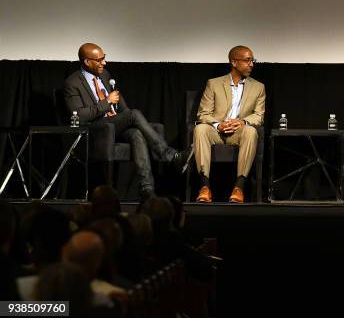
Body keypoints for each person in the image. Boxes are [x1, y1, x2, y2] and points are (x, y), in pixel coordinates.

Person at [63, 43, 191, 201]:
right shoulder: (73, 82)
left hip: (113, 125)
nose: (104, 63)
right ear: (87, 62)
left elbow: (123, 108)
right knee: (135, 114)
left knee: (137, 132)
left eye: (104, 58)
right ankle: (171, 155)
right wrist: (107, 102)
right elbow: (79, 116)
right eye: (99, 60)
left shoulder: (105, 75)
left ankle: (147, 188)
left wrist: (127, 118)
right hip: (95, 129)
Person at [192, 45, 265, 203]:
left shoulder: (258, 87)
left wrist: (242, 122)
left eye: (253, 60)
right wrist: (219, 125)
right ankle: (204, 187)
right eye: (247, 60)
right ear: (234, 62)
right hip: (216, 132)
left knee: (251, 131)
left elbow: (259, 116)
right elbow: (203, 113)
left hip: (239, 132)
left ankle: (239, 187)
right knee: (200, 129)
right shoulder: (214, 84)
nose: (251, 64)